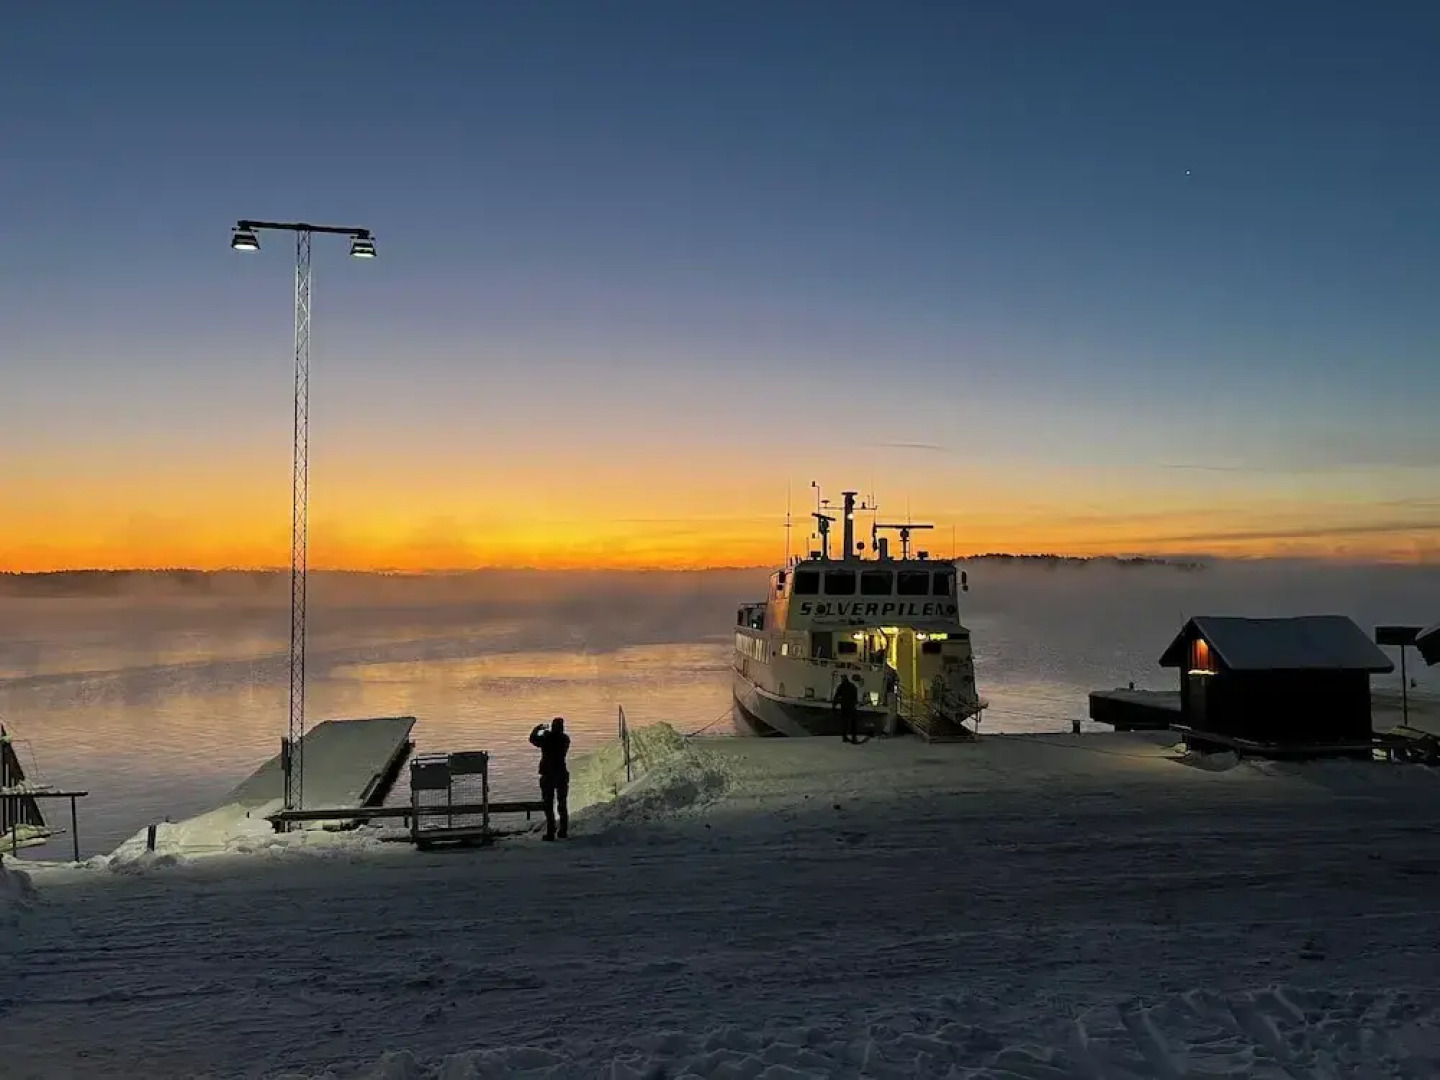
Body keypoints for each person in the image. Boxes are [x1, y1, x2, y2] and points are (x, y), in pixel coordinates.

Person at [529, 717, 571, 840]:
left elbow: (532, 739)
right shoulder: (565, 739)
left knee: (548, 805)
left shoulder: (547, 738)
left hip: (548, 775)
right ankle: (563, 831)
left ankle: (550, 831)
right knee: (562, 804)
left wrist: (538, 729)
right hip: (561, 774)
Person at [833, 675, 861, 744]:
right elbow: (855, 696)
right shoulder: (852, 686)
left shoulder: (841, 686)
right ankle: (854, 738)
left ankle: (845, 737)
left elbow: (836, 696)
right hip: (851, 707)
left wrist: (834, 705)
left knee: (845, 723)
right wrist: (856, 703)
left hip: (844, 707)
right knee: (853, 722)